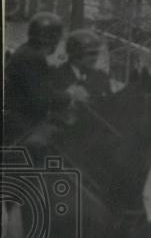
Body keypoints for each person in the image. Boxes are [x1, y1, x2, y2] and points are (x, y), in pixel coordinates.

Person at [3, 12, 84, 146]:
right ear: (54, 40)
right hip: (21, 125)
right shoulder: (33, 58)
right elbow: (41, 100)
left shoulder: (26, 51)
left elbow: (37, 88)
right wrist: (71, 95)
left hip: (16, 120)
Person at [52, 29, 113, 102]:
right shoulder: (56, 75)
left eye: (97, 53)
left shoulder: (101, 77)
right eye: (91, 53)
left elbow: (110, 105)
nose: (95, 58)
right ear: (76, 54)